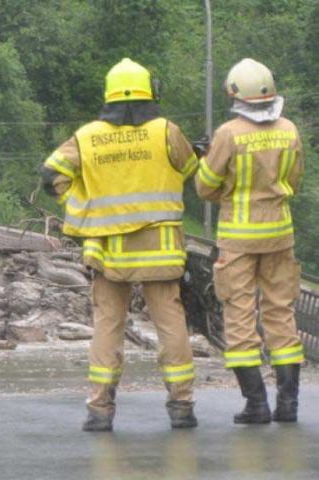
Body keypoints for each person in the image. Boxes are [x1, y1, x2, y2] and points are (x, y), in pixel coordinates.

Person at [41, 58, 199, 431]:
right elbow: (191, 168)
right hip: (158, 247)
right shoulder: (165, 130)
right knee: (170, 323)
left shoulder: (87, 136)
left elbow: (51, 177)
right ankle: (182, 406)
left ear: (109, 95)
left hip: (108, 250)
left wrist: (84, 210)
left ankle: (99, 411)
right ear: (149, 92)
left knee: (107, 325)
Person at [195, 58, 304, 424]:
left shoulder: (228, 133)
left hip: (239, 240)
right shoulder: (289, 129)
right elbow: (295, 182)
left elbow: (205, 186)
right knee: (281, 314)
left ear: (234, 93)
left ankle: (256, 404)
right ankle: (288, 405)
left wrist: (206, 162)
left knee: (240, 316)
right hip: (279, 235)